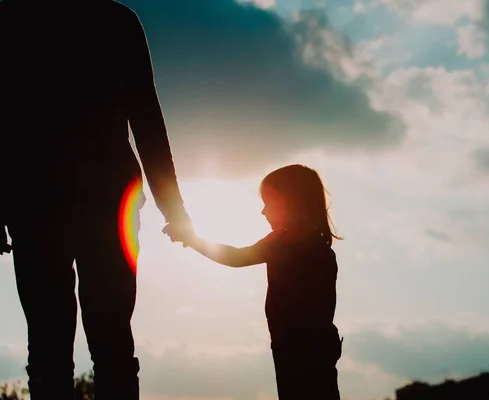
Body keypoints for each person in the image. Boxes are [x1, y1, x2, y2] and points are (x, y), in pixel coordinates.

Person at [0, 1, 192, 399]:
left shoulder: (13, 19)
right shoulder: (117, 21)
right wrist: (174, 210)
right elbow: (148, 121)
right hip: (102, 205)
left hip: (40, 207)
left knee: (53, 351)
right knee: (111, 346)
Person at [165, 164, 343, 400]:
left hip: (298, 356)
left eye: (268, 202)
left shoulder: (285, 245)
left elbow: (236, 257)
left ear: (290, 201)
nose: (263, 212)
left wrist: (193, 239)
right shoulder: (314, 249)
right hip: (306, 354)